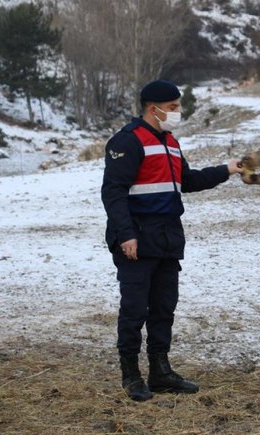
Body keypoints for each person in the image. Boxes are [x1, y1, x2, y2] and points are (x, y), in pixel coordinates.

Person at [101, 79, 243, 401]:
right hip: (136, 240)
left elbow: (188, 181)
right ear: (155, 109)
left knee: (164, 308)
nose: (178, 113)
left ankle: (160, 372)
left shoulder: (170, 142)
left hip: (167, 238)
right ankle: (131, 375)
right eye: (174, 108)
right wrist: (126, 236)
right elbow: (113, 194)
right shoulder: (127, 141)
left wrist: (227, 169)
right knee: (135, 310)